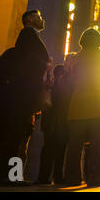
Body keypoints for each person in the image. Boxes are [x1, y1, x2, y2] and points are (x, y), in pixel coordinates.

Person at [0, 9, 50, 184]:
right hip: (24, 93)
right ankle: (10, 176)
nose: (43, 20)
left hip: (24, 93)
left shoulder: (30, 36)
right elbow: (29, 60)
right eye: (40, 17)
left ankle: (13, 175)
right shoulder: (27, 34)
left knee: (20, 135)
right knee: (17, 136)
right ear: (31, 20)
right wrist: (46, 64)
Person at [64, 28, 100, 187]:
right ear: (99, 41)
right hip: (98, 104)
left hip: (78, 105)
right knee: (96, 144)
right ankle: (95, 178)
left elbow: (70, 80)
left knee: (74, 145)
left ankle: (72, 178)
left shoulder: (77, 57)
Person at [36, 53, 76, 185]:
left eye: (70, 61)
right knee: (49, 148)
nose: (67, 63)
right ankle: (44, 177)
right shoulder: (60, 74)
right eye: (67, 60)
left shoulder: (72, 78)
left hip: (62, 118)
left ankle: (57, 177)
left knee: (60, 150)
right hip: (54, 117)